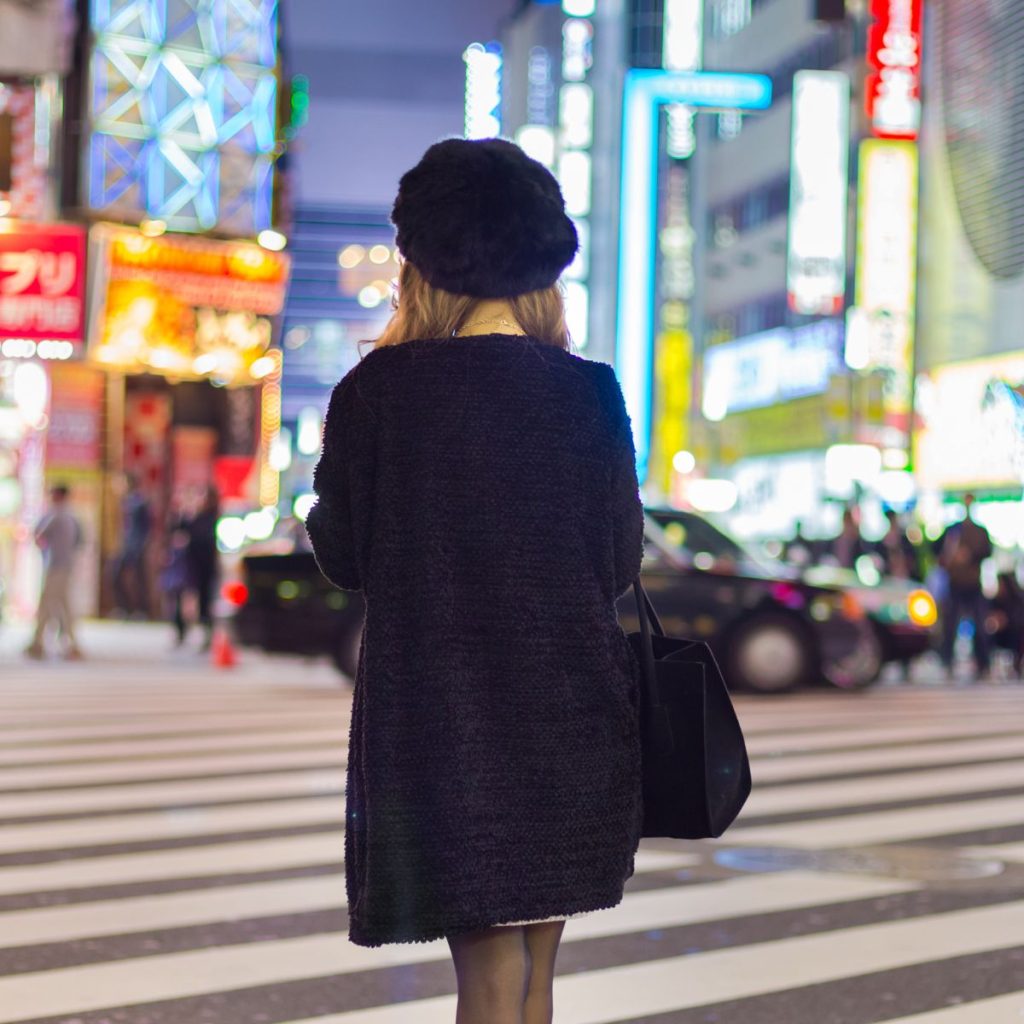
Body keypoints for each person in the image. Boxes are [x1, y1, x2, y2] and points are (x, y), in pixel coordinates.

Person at [305, 138, 644, 1023]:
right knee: (533, 980)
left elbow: (342, 556)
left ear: (424, 266)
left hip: (444, 723)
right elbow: (618, 563)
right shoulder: (592, 393)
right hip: (573, 717)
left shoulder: (378, 392)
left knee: (487, 983)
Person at [937, 494, 993, 679]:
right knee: (950, 625)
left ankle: (983, 663)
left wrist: (970, 555)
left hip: (973, 583)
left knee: (979, 624)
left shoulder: (980, 530)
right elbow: (938, 550)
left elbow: (987, 551)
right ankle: (947, 662)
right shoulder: (953, 529)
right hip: (955, 583)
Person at [26, 483, 84, 660]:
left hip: (55, 566)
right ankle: (68, 644)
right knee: (62, 604)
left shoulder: (56, 515)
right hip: (66, 566)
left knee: (48, 604)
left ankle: (40, 643)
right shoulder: (73, 517)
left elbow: (38, 534)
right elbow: (80, 542)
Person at [179, 485, 220, 651]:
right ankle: (184, 632)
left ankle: (204, 633)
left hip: (204, 567)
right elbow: (180, 529)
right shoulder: (196, 517)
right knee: (188, 600)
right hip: (193, 566)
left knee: (204, 601)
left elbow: (200, 539)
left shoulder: (210, 517)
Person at [112, 473, 152, 617]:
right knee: (114, 575)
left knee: (139, 579)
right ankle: (124, 607)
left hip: (136, 546)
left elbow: (147, 527)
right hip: (125, 544)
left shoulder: (140, 502)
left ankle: (141, 610)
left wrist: (142, 545)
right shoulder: (126, 502)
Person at [876, 509, 922, 581]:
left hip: (906, 579)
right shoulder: (882, 544)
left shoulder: (904, 541)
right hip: (889, 580)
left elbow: (913, 560)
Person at [827, 505, 869, 570]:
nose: (848, 526)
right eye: (846, 521)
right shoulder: (834, 541)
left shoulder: (861, 543)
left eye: (850, 522)